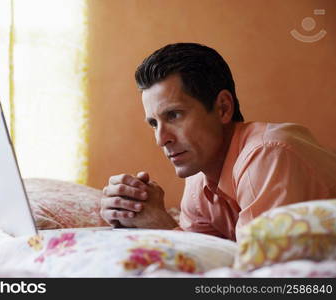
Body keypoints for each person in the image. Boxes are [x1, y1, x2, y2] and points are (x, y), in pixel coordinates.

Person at [100, 43, 336, 241]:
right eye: (154, 123)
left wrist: (160, 224)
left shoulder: (267, 154)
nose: (162, 139)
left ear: (223, 108)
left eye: (174, 115)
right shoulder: (198, 178)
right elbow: (203, 255)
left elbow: (263, 276)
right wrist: (137, 212)